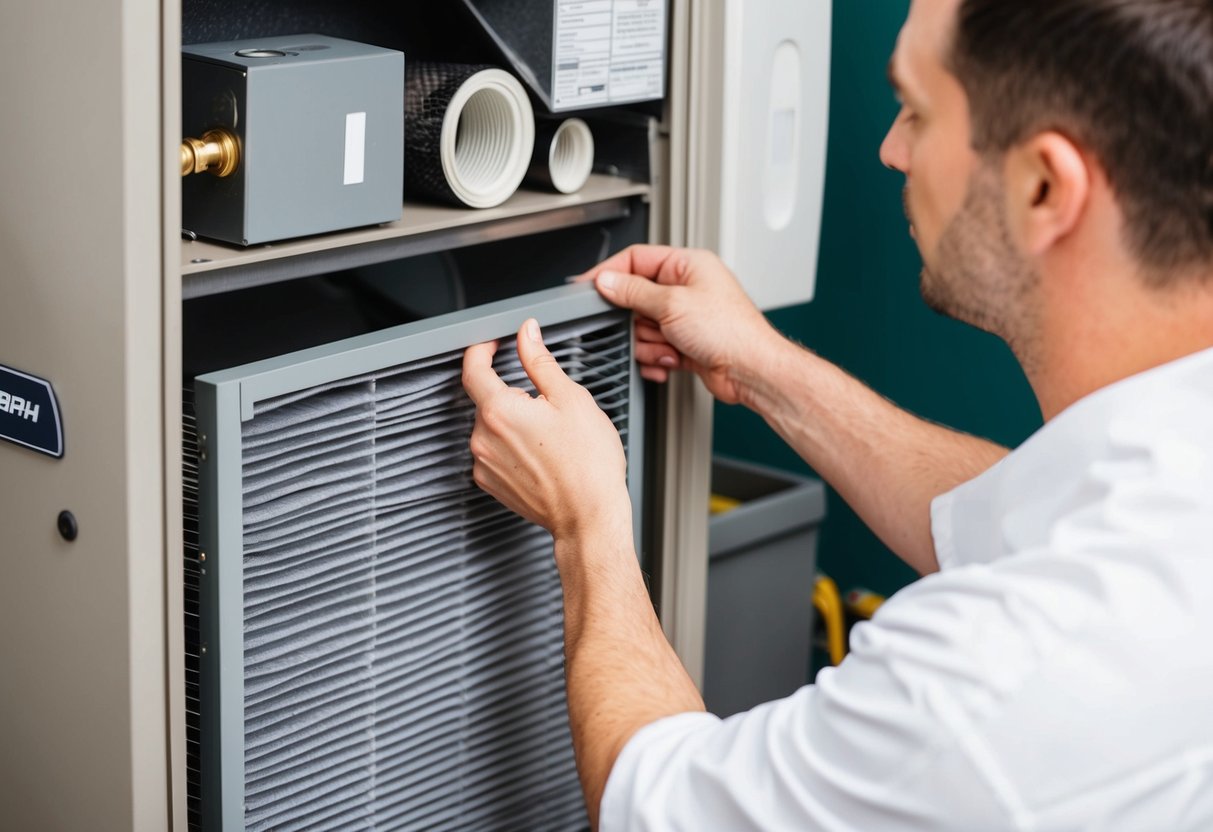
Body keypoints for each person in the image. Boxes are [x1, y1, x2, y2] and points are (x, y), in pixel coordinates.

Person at [461, 0, 1213, 828]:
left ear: (1043, 187)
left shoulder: (996, 681)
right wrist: (762, 364)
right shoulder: (1168, 474)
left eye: (917, 112)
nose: (890, 150)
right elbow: (1017, 516)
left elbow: (656, 806)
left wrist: (587, 519)